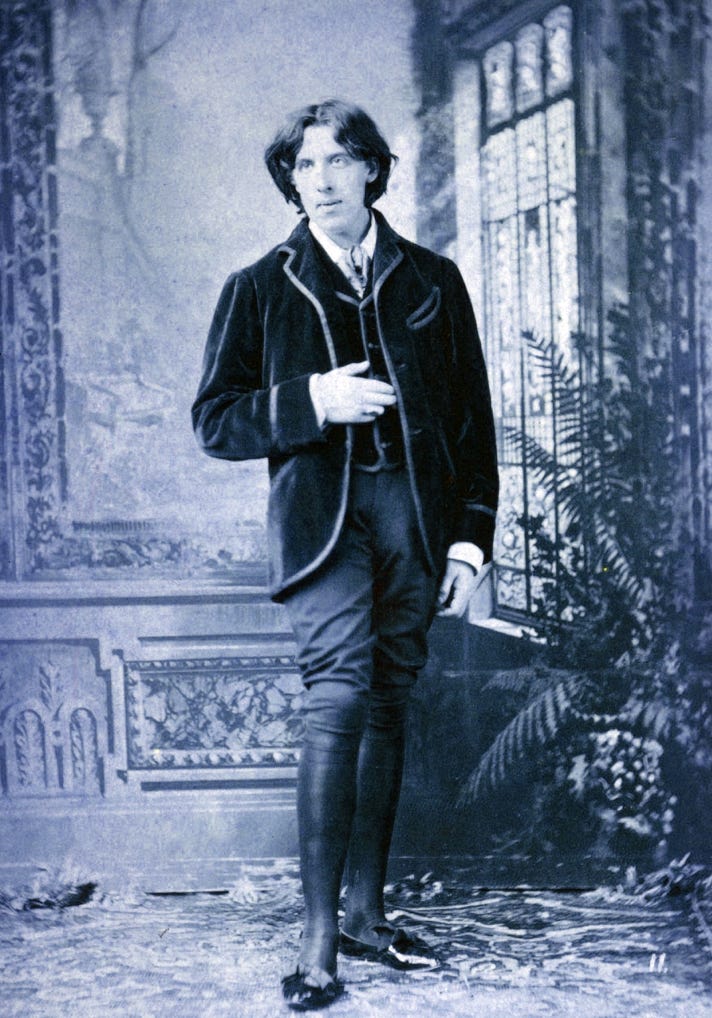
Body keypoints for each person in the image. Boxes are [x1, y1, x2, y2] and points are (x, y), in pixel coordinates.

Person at [192, 99, 498, 1011]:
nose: (319, 181)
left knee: (389, 702)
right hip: (323, 529)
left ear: (371, 169)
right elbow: (215, 421)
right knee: (336, 703)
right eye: (303, 166)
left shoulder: (434, 279)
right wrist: (312, 400)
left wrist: (470, 540)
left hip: (416, 524)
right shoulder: (258, 286)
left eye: (336, 161)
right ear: (290, 182)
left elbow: (474, 425)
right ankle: (318, 940)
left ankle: (366, 914)